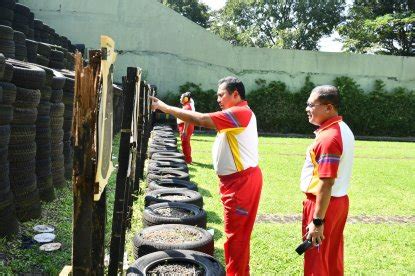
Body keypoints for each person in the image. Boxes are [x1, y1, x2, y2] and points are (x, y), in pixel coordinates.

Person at [150, 76, 262, 276]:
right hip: (236, 182)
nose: (218, 99)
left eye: (221, 95)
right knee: (236, 237)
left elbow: (201, 119)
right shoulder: (236, 113)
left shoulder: (239, 113)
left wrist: (164, 107)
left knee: (237, 238)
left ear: (235, 94)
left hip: (241, 184)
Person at [300, 85, 355, 276]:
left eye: (311, 104)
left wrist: (317, 221)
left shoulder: (329, 138)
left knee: (317, 260)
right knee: (331, 256)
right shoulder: (342, 129)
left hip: (323, 205)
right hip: (337, 203)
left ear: (328, 107)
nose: (307, 108)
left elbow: (326, 182)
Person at [177, 91, 195, 164]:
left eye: (181, 97)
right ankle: (187, 158)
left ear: (186, 99)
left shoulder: (187, 107)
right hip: (185, 126)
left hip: (185, 126)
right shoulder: (186, 105)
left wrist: (185, 130)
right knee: (185, 142)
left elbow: (187, 119)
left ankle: (187, 160)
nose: (180, 99)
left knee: (185, 143)